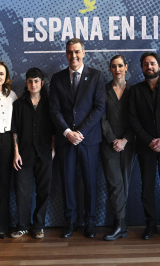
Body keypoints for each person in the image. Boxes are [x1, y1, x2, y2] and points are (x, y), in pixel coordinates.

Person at [49, 38, 106, 238]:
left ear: (84, 53)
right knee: (68, 181)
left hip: (88, 140)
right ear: (66, 54)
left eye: (77, 52)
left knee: (90, 182)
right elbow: (54, 109)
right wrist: (67, 132)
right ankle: (70, 221)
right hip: (65, 140)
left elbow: (99, 108)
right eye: (70, 52)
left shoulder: (97, 76)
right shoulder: (57, 78)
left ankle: (90, 222)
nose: (73, 56)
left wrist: (80, 133)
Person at [129, 52, 160, 240]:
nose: (149, 67)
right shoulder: (135, 90)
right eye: (145, 64)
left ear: (159, 66)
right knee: (147, 188)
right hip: (145, 147)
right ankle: (150, 224)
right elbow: (133, 119)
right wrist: (149, 140)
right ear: (141, 68)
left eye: (152, 63)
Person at [11, 68, 54, 239]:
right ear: (26, 83)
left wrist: (53, 148)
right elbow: (15, 131)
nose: (33, 84)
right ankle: (22, 225)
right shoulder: (19, 104)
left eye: (36, 81)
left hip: (45, 154)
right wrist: (16, 153)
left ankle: (38, 226)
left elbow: (54, 130)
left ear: (42, 83)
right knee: (23, 192)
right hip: (24, 155)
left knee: (44, 191)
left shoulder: (50, 104)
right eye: (30, 81)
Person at [101, 55, 135, 241]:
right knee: (115, 184)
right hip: (109, 145)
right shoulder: (103, 90)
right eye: (114, 66)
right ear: (110, 69)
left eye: (120, 66)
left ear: (126, 67)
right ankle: (119, 225)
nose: (117, 69)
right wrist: (113, 139)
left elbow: (136, 119)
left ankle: (122, 225)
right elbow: (101, 117)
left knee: (125, 182)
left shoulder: (134, 90)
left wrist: (125, 139)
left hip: (128, 145)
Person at [0, 61, 17, 239]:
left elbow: (16, 123)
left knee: (4, 185)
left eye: (1, 74)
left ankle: (3, 226)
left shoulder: (11, 95)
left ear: (6, 77)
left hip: (6, 141)